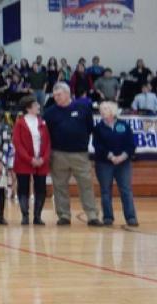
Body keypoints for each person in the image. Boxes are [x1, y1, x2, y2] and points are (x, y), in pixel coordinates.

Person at [43, 83, 101, 226]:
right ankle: (64, 215)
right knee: (59, 186)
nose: (56, 98)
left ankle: (92, 215)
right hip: (58, 154)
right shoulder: (49, 112)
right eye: (54, 95)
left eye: (59, 95)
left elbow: (89, 128)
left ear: (68, 94)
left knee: (86, 185)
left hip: (80, 154)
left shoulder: (83, 108)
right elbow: (46, 134)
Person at [93, 101, 138, 227]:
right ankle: (107, 217)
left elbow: (131, 145)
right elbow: (97, 146)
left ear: (112, 110)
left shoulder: (124, 125)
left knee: (126, 190)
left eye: (105, 109)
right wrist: (111, 156)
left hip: (123, 163)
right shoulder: (98, 128)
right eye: (101, 109)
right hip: (104, 163)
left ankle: (131, 217)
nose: (102, 111)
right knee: (105, 191)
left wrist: (122, 157)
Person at [12, 96, 51, 225]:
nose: (38, 107)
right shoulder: (20, 123)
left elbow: (47, 143)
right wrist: (30, 159)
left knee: (41, 189)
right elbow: (17, 143)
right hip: (24, 161)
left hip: (41, 162)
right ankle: (25, 215)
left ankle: (37, 216)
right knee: (23, 188)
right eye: (35, 105)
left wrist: (43, 158)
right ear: (28, 108)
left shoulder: (43, 122)